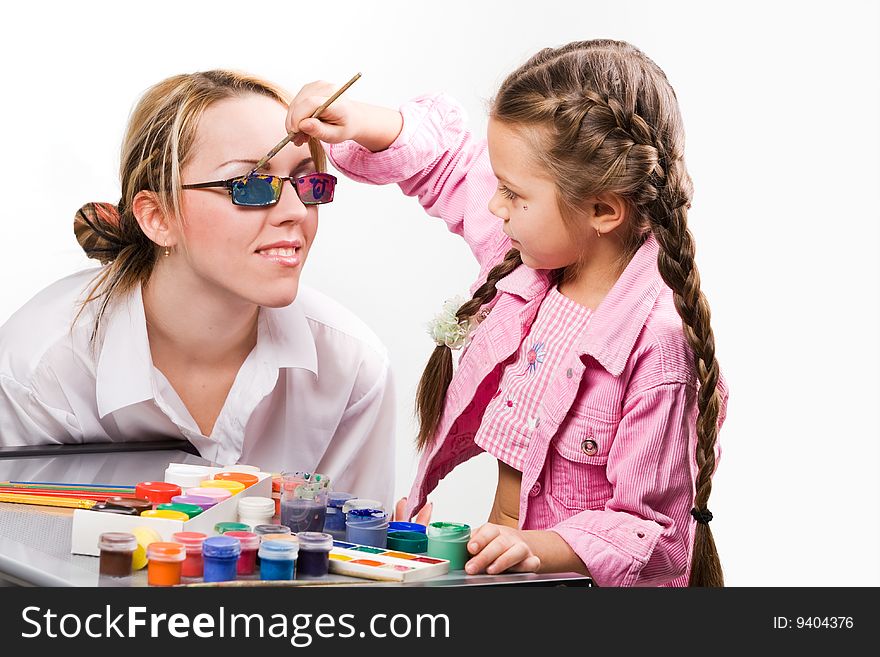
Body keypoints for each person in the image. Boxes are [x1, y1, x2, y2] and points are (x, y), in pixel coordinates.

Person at [285, 39, 730, 586]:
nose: (495, 206)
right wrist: (358, 119)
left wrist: (536, 546)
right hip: (511, 584)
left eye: (513, 194)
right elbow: (444, 163)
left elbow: (655, 535)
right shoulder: (530, 256)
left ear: (603, 209)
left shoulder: (658, 348)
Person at [0, 70, 394, 506]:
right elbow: (19, 547)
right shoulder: (38, 368)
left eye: (307, 182)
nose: (296, 211)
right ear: (157, 217)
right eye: (251, 184)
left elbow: (354, 553)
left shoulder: (353, 368)